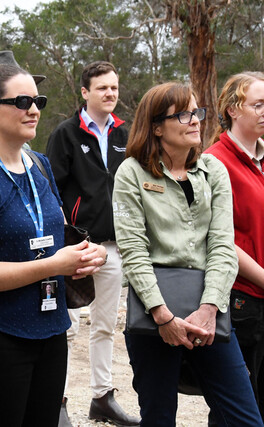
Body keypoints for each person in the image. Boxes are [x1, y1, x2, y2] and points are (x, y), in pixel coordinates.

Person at [113, 81, 263, 426]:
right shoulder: (131, 173)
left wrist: (210, 308)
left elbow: (223, 245)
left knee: (245, 418)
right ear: (156, 127)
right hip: (154, 316)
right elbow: (133, 250)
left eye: (197, 112)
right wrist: (163, 316)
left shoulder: (213, 171)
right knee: (159, 417)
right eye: (183, 114)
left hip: (209, 312)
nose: (195, 120)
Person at [0, 63, 106, 426]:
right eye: (22, 101)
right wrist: (53, 265)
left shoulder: (40, 165)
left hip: (52, 328)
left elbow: (56, 234)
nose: (34, 110)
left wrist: (90, 253)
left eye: (37, 101)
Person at [46, 61, 139, 426]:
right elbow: (52, 190)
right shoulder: (66, 134)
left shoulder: (124, 134)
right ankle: (58, 402)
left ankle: (102, 397)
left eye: (114, 87)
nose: (110, 93)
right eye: (102, 87)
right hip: (75, 247)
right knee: (67, 328)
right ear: (85, 92)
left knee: (105, 326)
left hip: (113, 247)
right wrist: (65, 239)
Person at [206, 72, 264, 418]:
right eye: (258, 104)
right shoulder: (215, 162)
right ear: (232, 109)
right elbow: (221, 238)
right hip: (242, 300)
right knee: (238, 408)